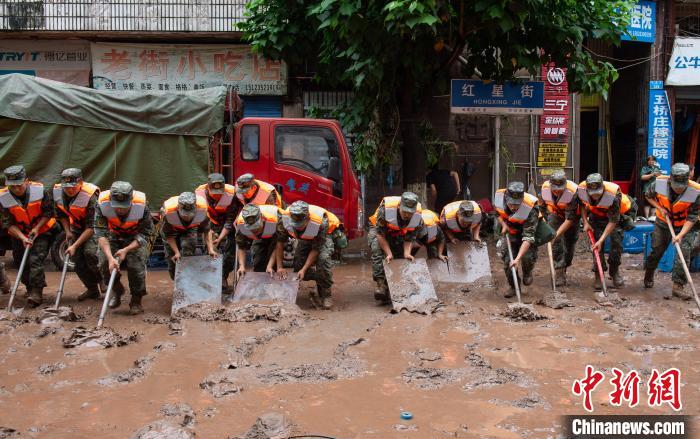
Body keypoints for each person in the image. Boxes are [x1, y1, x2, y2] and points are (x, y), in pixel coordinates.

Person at [0, 165, 58, 307]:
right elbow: (8, 223)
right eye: (12, 187)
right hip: (18, 233)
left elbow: (48, 213)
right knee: (20, 261)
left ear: (26, 181)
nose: (16, 189)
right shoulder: (2, 198)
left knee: (35, 259)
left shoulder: (40, 191)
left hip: (42, 230)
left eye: (19, 185)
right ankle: (29, 287)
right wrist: (22, 237)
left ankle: (37, 292)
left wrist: (37, 228)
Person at [95, 181, 153, 315]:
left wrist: (126, 250)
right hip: (112, 235)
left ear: (131, 201)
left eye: (124, 206)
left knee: (136, 266)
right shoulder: (101, 204)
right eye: (117, 206)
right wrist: (110, 258)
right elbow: (100, 234)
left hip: (135, 237)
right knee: (104, 263)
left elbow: (145, 234)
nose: (120, 209)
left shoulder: (142, 206)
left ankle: (136, 299)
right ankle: (117, 291)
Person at [643, 163, 700, 300]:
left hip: (683, 224)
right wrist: (660, 208)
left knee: (684, 253)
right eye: (676, 186)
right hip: (663, 222)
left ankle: (678, 286)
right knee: (657, 250)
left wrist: (680, 235)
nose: (678, 189)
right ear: (670, 180)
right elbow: (648, 195)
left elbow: (692, 217)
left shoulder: (695, 191)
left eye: (682, 187)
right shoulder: (660, 183)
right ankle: (649, 273)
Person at [578, 173, 637, 290]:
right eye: (592, 194)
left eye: (598, 193)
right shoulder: (581, 190)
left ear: (603, 188)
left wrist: (601, 240)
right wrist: (585, 221)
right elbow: (582, 205)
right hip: (597, 215)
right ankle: (598, 275)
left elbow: (613, 221)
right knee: (595, 246)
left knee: (616, 243)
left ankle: (614, 272)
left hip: (617, 216)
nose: (595, 196)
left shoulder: (614, 195)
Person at [53, 168, 103, 301]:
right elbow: (61, 214)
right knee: (77, 260)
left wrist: (75, 245)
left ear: (80, 182)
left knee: (90, 253)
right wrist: (67, 231)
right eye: (66, 187)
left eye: (73, 187)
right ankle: (92, 289)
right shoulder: (58, 193)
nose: (69, 190)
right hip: (75, 227)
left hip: (93, 228)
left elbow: (91, 227)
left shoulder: (90, 198)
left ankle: (104, 280)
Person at [278, 201, 339, 310]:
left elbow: (316, 249)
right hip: (305, 237)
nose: (298, 227)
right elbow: (279, 243)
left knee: (323, 260)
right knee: (298, 266)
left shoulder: (321, 222)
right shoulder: (284, 218)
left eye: (301, 224)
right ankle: (320, 277)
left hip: (325, 236)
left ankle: (326, 293)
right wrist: (279, 267)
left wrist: (305, 268)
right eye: (296, 225)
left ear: (307, 218)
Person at [367, 192, 424, 304]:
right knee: (377, 249)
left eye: (410, 213)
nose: (407, 215)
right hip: (379, 230)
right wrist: (388, 253)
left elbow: (409, 237)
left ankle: (392, 287)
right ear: (399, 206)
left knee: (399, 255)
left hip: (398, 231)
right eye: (404, 211)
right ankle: (381, 285)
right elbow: (380, 235)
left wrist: (407, 253)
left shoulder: (418, 218)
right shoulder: (385, 211)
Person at [195, 173, 241, 292]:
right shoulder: (199, 194)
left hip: (228, 224)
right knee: (211, 250)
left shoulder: (232, 194)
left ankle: (223, 277)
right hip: (210, 224)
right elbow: (203, 220)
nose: (217, 196)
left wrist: (221, 238)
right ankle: (211, 280)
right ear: (208, 188)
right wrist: (212, 239)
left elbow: (230, 220)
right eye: (214, 192)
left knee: (230, 253)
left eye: (220, 192)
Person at [494, 182, 539, 298]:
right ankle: (514, 287)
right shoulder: (499, 198)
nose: (513, 207)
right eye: (511, 204)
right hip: (511, 233)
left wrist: (517, 259)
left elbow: (528, 238)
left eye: (517, 204)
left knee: (527, 258)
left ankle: (527, 272)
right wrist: (503, 224)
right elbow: (496, 213)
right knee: (508, 262)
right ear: (506, 198)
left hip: (527, 233)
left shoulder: (531, 208)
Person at [161, 192, 217, 280]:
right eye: (184, 214)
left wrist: (210, 249)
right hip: (172, 230)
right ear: (178, 208)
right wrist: (176, 252)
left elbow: (207, 231)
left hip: (190, 228)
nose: (187, 217)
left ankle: (187, 280)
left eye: (190, 214)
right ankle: (177, 281)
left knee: (189, 248)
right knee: (172, 259)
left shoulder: (202, 210)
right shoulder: (168, 212)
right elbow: (168, 235)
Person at [540, 170, 580, 286]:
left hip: (572, 219)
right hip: (555, 215)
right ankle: (559, 272)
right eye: (555, 188)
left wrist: (557, 233)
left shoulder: (573, 192)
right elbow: (542, 208)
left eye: (560, 188)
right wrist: (545, 224)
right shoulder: (545, 188)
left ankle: (565, 265)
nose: (557, 191)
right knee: (556, 243)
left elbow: (569, 219)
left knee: (569, 244)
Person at [235, 204, 285, 277]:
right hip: (261, 236)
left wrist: (270, 265)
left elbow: (278, 245)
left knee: (273, 265)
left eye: (256, 227)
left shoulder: (276, 218)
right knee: (258, 262)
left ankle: (274, 285)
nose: (254, 230)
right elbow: (241, 246)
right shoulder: (241, 223)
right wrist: (241, 266)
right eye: (251, 229)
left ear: (262, 218)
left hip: (274, 230)